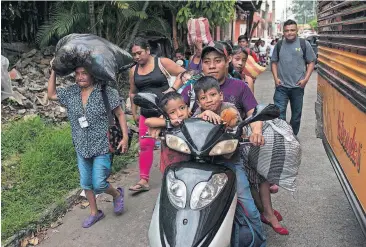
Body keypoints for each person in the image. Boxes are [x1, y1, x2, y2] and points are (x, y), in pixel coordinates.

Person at [47, 64, 129, 228]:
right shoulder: (71, 93)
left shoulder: (105, 92)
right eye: (77, 74)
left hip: (101, 145)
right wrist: (54, 70)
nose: (80, 77)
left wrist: (125, 137)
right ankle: (95, 213)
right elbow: (51, 94)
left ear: (93, 75)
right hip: (81, 146)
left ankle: (117, 194)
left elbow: (119, 113)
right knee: (86, 183)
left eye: (84, 73)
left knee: (98, 183)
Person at [128, 37, 185, 192]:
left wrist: (173, 89)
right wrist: (134, 113)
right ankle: (143, 180)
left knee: (173, 145)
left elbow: (183, 73)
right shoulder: (134, 71)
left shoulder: (162, 63)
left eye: (139, 53)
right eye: (134, 55)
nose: (137, 57)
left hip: (168, 114)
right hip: (147, 115)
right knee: (145, 146)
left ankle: (177, 177)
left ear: (147, 50)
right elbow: (133, 93)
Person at [271, 19, 316, 135]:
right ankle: (282, 137)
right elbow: (274, 62)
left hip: (297, 87)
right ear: (283, 32)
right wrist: (276, 78)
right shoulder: (279, 45)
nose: (289, 33)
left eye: (292, 30)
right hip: (281, 87)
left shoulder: (303, 44)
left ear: (297, 31)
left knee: (296, 116)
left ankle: (293, 136)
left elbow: (311, 62)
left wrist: (306, 79)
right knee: (279, 114)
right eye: (287, 30)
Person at [145, 92, 192, 173]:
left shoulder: (192, 121)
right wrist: (169, 122)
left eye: (182, 108)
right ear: (165, 115)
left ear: (187, 107)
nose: (180, 114)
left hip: (189, 165)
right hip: (170, 166)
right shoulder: (167, 123)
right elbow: (148, 121)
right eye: (172, 112)